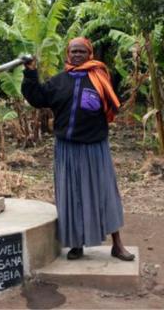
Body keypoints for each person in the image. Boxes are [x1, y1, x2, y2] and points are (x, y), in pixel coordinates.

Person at [21, 37, 135, 261]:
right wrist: (30, 73)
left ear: (89, 54)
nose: (77, 55)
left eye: (82, 51)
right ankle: (76, 245)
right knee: (71, 196)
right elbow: (37, 97)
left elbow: (113, 105)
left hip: (95, 146)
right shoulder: (59, 81)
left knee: (105, 194)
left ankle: (117, 244)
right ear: (67, 54)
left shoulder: (100, 78)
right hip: (67, 148)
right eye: (73, 51)